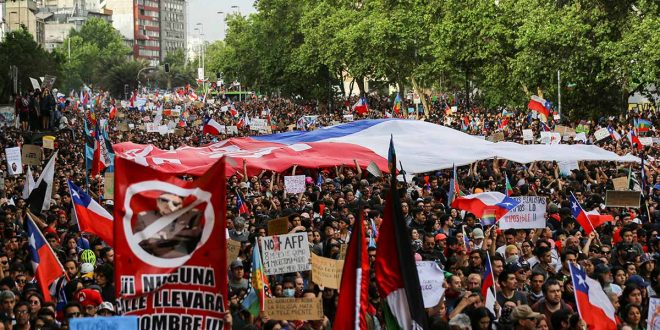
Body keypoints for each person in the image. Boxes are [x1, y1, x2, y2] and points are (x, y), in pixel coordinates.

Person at [134, 192, 202, 258]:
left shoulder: (192, 215)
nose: (167, 204)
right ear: (157, 202)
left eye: (174, 203)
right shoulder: (145, 217)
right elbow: (139, 243)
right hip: (154, 259)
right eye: (164, 200)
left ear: (180, 205)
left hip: (181, 258)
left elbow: (195, 238)